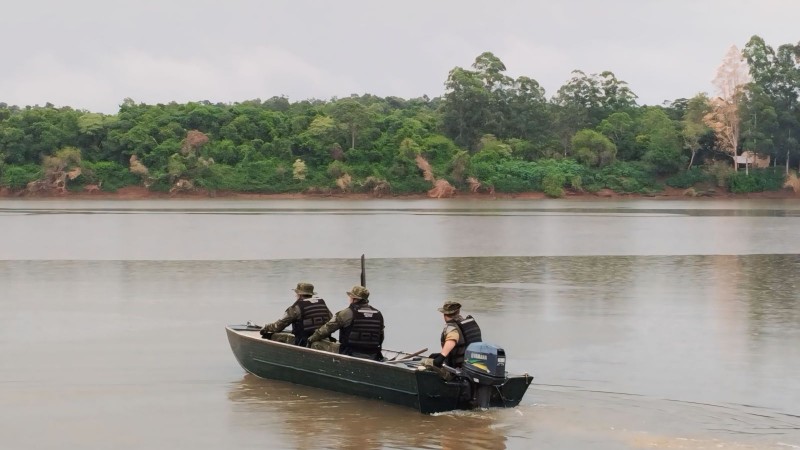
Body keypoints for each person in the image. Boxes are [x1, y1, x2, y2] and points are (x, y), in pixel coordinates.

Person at [307, 285, 384, 361]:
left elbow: (326, 329)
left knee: (316, 344)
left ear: (353, 299)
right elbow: (381, 337)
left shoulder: (347, 313)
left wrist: (311, 339)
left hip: (350, 353)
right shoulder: (378, 314)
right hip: (373, 355)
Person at [260, 282, 332, 346]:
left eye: (296, 294)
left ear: (299, 295)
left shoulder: (296, 308)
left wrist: (266, 327)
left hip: (304, 342)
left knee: (272, 336)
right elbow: (331, 320)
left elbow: (278, 327)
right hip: (323, 339)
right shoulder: (321, 304)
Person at [430, 300, 482, 369]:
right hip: (472, 365)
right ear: (458, 312)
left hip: (456, 369)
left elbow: (452, 338)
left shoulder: (451, 327)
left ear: (444, 314)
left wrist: (441, 357)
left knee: (426, 363)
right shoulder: (466, 323)